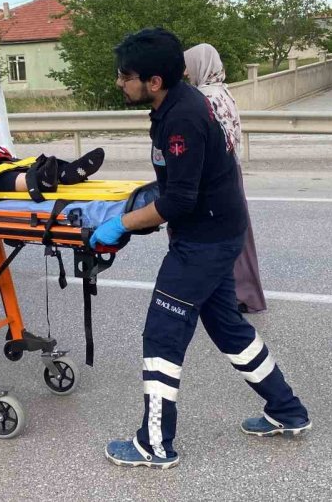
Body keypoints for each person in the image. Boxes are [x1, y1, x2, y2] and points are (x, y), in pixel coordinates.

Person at [91, 28, 310, 469]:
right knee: (228, 328)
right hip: (216, 231)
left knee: (162, 335)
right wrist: (139, 206)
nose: (119, 82)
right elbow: (180, 181)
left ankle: (154, 445)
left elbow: (179, 201)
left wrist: (121, 225)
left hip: (204, 242)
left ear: (154, 81)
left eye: (126, 76)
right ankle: (287, 410)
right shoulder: (174, 105)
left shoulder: (183, 118)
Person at [184, 43, 267, 315]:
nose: (186, 72)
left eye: (189, 65)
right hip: (232, 170)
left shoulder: (204, 98)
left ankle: (231, 295)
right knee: (238, 233)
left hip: (216, 174)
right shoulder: (224, 91)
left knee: (216, 234)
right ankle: (246, 292)